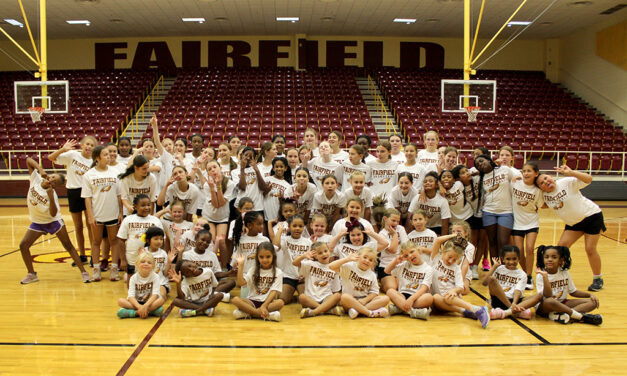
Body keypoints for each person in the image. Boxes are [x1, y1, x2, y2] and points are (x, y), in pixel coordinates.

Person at [19, 157, 90, 284]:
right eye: (52, 177)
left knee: (68, 245)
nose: (51, 180)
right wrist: (41, 170)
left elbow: (53, 213)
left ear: (56, 186)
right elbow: (29, 160)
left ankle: (84, 272)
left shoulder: (53, 195)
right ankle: (32, 274)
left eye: (55, 182)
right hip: (37, 221)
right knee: (23, 245)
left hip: (53, 222)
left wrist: (51, 196)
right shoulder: (36, 179)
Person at [535, 165, 605, 291]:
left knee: (590, 248)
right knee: (561, 248)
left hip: (592, 216)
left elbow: (588, 179)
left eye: (546, 178)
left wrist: (571, 172)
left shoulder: (565, 182)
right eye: (542, 183)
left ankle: (598, 278)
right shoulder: (544, 196)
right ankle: (557, 276)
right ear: (540, 188)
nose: (546, 182)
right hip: (574, 224)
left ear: (551, 177)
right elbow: (543, 205)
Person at [48, 137, 96, 265]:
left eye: (92, 145)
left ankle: (93, 255)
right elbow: (51, 158)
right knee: (78, 226)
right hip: (73, 192)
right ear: (82, 145)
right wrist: (63, 149)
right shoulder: (72, 155)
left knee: (91, 225)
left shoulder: (94, 161)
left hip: (88, 193)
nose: (89, 146)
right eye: (87, 144)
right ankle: (82, 255)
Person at [430, 235, 490, 328]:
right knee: (435, 298)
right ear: (444, 251)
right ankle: (466, 312)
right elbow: (438, 240)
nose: (451, 260)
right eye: (449, 256)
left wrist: (454, 291)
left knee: (447, 297)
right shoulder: (436, 258)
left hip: (452, 299)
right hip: (440, 303)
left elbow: (460, 287)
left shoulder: (456, 268)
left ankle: (476, 309)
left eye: (455, 259)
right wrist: (455, 235)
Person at [82, 145, 123, 282]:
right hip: (97, 214)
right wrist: (90, 215)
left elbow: (119, 195)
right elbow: (87, 197)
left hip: (112, 213)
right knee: (96, 241)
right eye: (105, 155)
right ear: (97, 158)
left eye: (109, 154)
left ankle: (114, 270)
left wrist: (121, 212)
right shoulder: (89, 175)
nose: (109, 157)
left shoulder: (115, 172)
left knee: (114, 241)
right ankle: (96, 269)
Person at [535, 245, 602, 325]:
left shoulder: (565, 273)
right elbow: (546, 296)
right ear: (543, 259)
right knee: (550, 300)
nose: (550, 259)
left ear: (561, 260)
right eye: (546, 257)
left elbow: (573, 292)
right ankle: (579, 316)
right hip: (546, 306)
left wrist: (590, 294)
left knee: (593, 302)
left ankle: (563, 316)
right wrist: (545, 277)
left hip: (563, 303)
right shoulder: (540, 275)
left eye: (554, 257)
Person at [474, 154, 516, 263]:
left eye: (482, 161)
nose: (480, 164)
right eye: (478, 164)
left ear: (489, 160)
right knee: (492, 242)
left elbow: (516, 182)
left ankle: (504, 267)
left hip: (506, 211)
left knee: (503, 241)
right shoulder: (481, 177)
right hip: (488, 211)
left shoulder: (505, 170)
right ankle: (495, 269)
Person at [329, 248, 391, 319]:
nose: (367, 261)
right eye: (365, 257)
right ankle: (369, 313)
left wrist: (365, 300)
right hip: (350, 302)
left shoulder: (372, 275)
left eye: (370, 260)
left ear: (373, 264)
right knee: (344, 297)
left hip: (364, 301)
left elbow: (374, 293)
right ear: (358, 257)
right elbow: (331, 266)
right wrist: (347, 259)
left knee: (386, 298)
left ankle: (357, 311)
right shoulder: (349, 266)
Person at [180, 226, 235, 302]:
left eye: (208, 242)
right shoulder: (187, 255)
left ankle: (210, 296)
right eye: (202, 240)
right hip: (195, 285)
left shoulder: (212, 255)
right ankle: (214, 296)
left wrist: (228, 273)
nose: (204, 243)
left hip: (210, 285)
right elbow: (184, 273)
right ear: (196, 238)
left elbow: (216, 273)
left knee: (231, 282)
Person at [231, 242, 285, 321]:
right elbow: (241, 283)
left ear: (273, 256)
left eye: (268, 257)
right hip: (252, 302)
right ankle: (264, 315)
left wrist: (264, 305)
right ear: (257, 257)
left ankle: (248, 313)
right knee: (235, 300)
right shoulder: (253, 269)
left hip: (267, 303)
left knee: (280, 302)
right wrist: (241, 266)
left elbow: (274, 292)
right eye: (261, 257)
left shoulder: (278, 272)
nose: (264, 260)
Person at [511, 162, 544, 290]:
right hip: (517, 223)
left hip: (532, 222)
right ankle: (525, 274)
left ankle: (529, 276)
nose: (526, 173)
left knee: (530, 248)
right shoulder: (515, 183)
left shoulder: (537, 190)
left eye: (529, 171)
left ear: (536, 173)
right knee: (519, 251)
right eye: (524, 171)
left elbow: (540, 205)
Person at [483, 245, 539, 320]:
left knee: (539, 295)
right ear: (503, 259)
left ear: (519, 259)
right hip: (498, 300)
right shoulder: (499, 269)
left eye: (514, 259)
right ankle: (515, 311)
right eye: (508, 259)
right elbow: (484, 283)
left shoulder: (522, 274)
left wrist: (514, 303)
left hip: (515, 301)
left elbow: (518, 291)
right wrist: (494, 267)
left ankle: (508, 312)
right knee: (492, 279)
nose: (511, 262)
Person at [117, 194, 163, 281]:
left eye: (148, 205)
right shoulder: (128, 219)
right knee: (130, 281)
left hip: (150, 260)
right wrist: (123, 260)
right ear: (135, 207)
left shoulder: (155, 221)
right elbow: (121, 240)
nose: (146, 207)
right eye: (143, 205)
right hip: (132, 259)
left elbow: (161, 241)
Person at [385, 242, 434, 319]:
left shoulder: (428, 269)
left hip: (417, 298)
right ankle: (412, 312)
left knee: (429, 297)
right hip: (402, 296)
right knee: (390, 291)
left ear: (418, 250)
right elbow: (387, 271)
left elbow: (424, 288)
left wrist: (411, 299)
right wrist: (396, 261)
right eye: (406, 255)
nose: (410, 256)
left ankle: (399, 308)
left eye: (412, 252)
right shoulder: (404, 265)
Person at [292, 242, 342, 318]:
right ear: (315, 256)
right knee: (302, 297)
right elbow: (295, 263)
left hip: (326, 297)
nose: (324, 254)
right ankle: (327, 310)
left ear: (329, 251)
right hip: (311, 298)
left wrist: (335, 300)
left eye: (326, 251)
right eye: (320, 253)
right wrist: (303, 256)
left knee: (338, 296)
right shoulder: (310, 264)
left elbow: (336, 290)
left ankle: (314, 312)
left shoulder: (333, 268)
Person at [273, 215, 312, 304]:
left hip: (302, 277)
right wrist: (280, 230)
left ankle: (295, 295)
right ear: (289, 227)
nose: (297, 228)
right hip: (288, 276)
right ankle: (290, 295)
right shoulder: (285, 239)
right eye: (294, 226)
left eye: (300, 226)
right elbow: (275, 246)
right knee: (283, 299)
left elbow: (311, 261)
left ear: (304, 227)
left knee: (305, 300)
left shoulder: (308, 242)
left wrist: (305, 274)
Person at [230, 212, 271, 297]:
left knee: (261, 299)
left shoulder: (265, 240)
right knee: (245, 302)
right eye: (259, 224)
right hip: (245, 275)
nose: (262, 226)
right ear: (249, 225)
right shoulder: (240, 240)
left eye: (262, 223)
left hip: (261, 275)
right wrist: (234, 266)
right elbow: (236, 255)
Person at [198, 160, 235, 247]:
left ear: (220, 168)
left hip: (222, 217)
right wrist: (212, 188)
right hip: (209, 215)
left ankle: (224, 261)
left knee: (221, 241)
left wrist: (218, 186)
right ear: (208, 173)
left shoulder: (230, 183)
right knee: (212, 241)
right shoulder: (207, 185)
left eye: (215, 167)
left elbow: (221, 203)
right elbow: (215, 204)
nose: (213, 170)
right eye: (210, 169)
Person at [117, 252, 164, 319]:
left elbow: (155, 294)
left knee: (161, 300)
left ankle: (134, 313)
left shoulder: (155, 277)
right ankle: (148, 312)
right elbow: (130, 296)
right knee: (120, 301)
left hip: (150, 302)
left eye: (149, 263)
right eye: (142, 262)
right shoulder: (133, 278)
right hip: (136, 303)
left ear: (153, 266)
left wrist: (145, 306)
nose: (146, 264)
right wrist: (140, 307)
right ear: (137, 264)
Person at [377, 208, 408, 293]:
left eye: (398, 221)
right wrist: (395, 235)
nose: (396, 224)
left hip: (401, 265)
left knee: (402, 288)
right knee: (391, 288)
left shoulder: (400, 229)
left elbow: (406, 247)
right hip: (386, 265)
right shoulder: (382, 234)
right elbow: (393, 250)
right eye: (393, 220)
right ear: (385, 219)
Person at [141, 226, 174, 300]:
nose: (159, 241)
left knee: (161, 297)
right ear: (148, 240)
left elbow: (165, 274)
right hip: (146, 284)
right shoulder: (143, 252)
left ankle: (147, 307)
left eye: (161, 239)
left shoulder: (163, 253)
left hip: (161, 283)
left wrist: (169, 262)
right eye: (156, 239)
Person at [231, 147, 268, 214]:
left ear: (255, 158)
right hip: (241, 206)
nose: (248, 158)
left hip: (257, 206)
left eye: (250, 156)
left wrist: (256, 170)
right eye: (246, 155)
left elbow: (263, 187)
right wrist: (242, 169)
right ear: (241, 155)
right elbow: (242, 187)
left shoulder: (260, 169)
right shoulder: (235, 172)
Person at [263, 157, 292, 223]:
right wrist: (266, 191)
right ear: (273, 168)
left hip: (278, 216)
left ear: (285, 168)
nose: (279, 169)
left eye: (281, 166)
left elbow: (286, 205)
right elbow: (260, 196)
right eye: (277, 166)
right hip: (265, 214)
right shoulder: (267, 179)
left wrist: (282, 200)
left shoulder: (288, 186)